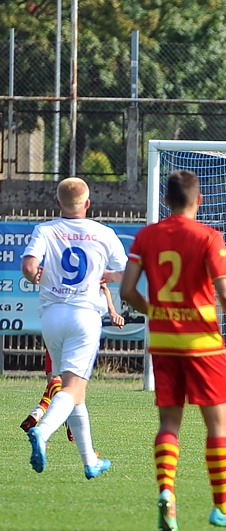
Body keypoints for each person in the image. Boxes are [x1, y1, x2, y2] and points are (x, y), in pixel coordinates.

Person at [120, 169, 226, 531]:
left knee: (168, 424)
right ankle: (221, 507)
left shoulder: (147, 235)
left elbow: (127, 291)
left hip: (163, 343)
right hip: (203, 345)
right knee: (217, 427)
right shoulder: (209, 236)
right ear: (200, 200)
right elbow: (224, 292)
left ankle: (166, 492)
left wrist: (156, 312)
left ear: (165, 200)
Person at [21, 177, 128, 480]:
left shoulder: (46, 229)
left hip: (52, 317)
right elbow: (124, 272)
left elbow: (29, 268)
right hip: (84, 316)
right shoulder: (102, 232)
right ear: (88, 204)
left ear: (58, 204)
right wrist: (103, 275)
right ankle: (42, 431)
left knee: (73, 388)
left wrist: (36, 277)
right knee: (72, 387)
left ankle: (89, 461)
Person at [20, 281, 125, 435]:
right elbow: (107, 283)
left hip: (57, 325)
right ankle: (66, 426)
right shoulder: (86, 260)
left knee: (57, 383)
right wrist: (112, 311)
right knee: (73, 387)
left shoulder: (59, 260)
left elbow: (103, 285)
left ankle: (39, 417)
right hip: (78, 328)